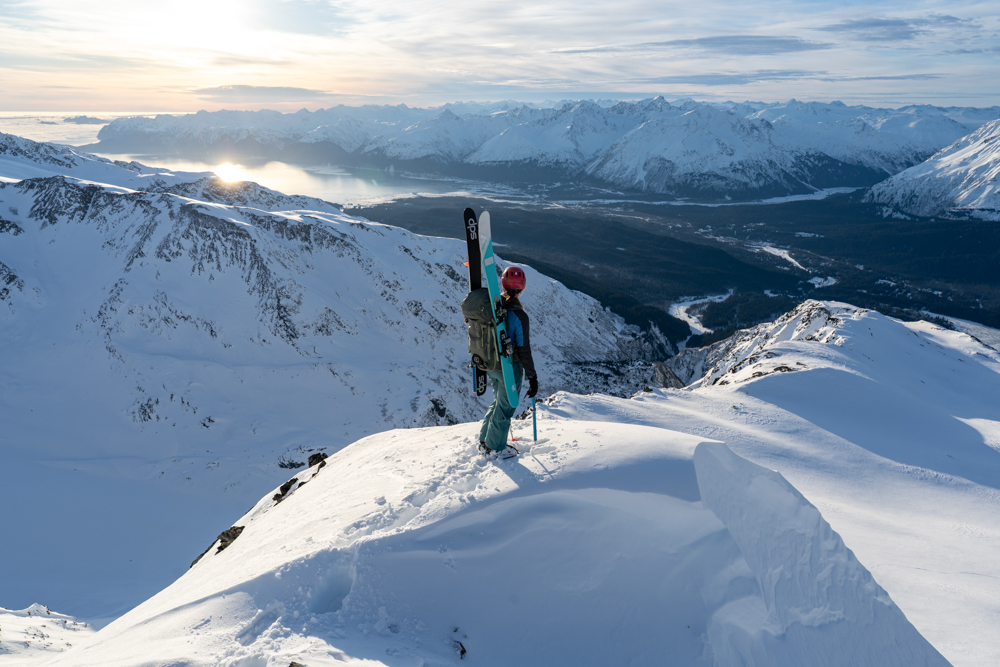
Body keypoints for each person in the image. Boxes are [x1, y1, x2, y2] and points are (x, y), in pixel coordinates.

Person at [479, 266, 539, 459]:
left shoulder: (495, 308)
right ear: (521, 288)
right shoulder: (519, 316)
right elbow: (523, 349)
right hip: (509, 367)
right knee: (506, 406)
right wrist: (532, 376)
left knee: (498, 402)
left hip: (491, 365)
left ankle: (485, 440)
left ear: (504, 284)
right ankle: (494, 448)